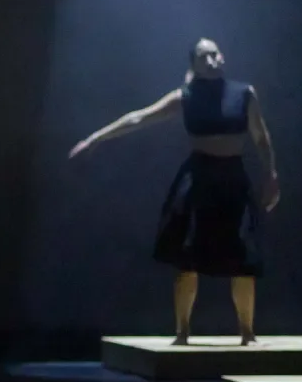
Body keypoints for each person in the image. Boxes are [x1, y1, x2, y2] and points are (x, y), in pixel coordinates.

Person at [68, 38, 281, 344]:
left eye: (215, 54)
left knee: (243, 257)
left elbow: (261, 137)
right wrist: (94, 139)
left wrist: (271, 173)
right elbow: (139, 118)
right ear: (194, 64)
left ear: (223, 57)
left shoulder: (244, 94)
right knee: (187, 257)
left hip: (233, 177)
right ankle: (182, 332)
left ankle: (247, 332)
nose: (211, 60)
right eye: (203, 57)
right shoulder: (186, 96)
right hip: (199, 177)